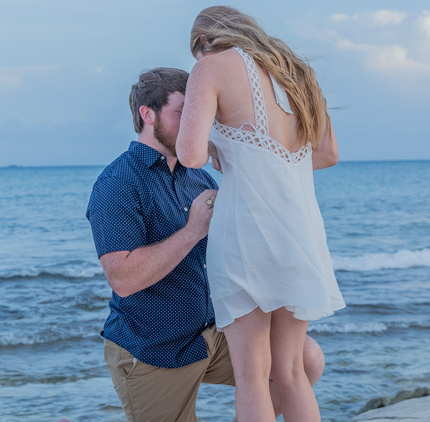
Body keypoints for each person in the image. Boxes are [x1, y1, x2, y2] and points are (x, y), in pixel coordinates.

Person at [86, 67, 325, 422]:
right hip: (154, 349)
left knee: (304, 359)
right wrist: (192, 231)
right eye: (184, 111)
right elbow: (123, 278)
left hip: (213, 336)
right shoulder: (117, 182)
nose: (196, 121)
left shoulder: (198, 176)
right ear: (147, 115)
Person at [175, 6, 346, 422]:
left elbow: (190, 154)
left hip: (246, 231)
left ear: (203, 41)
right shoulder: (297, 72)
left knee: (253, 376)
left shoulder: (211, 67)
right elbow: (327, 154)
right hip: (300, 230)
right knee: (290, 371)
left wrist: (218, 146)